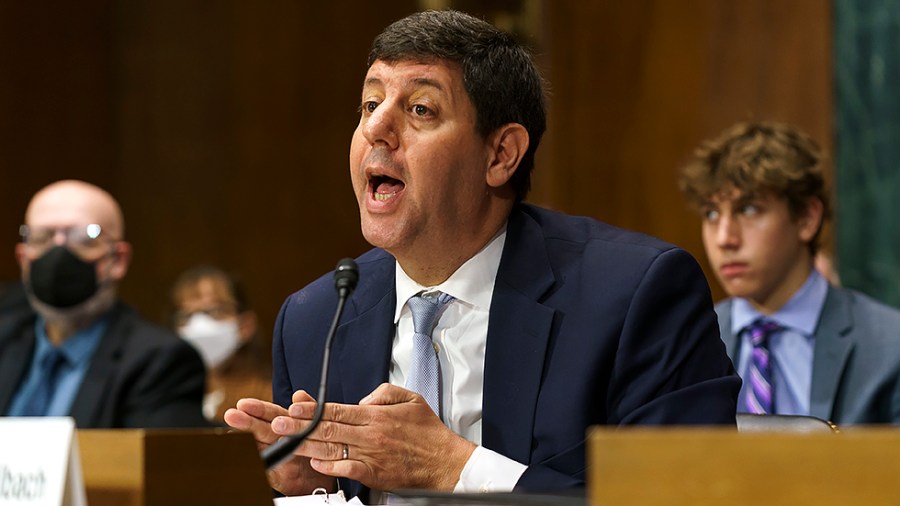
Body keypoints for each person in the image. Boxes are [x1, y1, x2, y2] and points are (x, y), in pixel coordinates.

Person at [225, 10, 739, 500]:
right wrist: (310, 488)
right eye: (369, 105)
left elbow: (692, 498)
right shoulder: (315, 319)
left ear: (500, 155)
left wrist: (454, 468)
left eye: (420, 109)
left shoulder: (634, 296)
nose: (375, 130)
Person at [679, 120, 900, 424]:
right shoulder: (687, 343)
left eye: (749, 209)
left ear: (807, 218)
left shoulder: (889, 345)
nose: (724, 239)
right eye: (712, 214)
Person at [0, 179, 209, 428]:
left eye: (85, 238)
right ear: (23, 259)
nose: (59, 252)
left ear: (118, 260)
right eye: (42, 237)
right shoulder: (5, 341)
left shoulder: (160, 362)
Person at [171, 265, 271, 422]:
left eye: (215, 311)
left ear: (246, 325)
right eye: (188, 315)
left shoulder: (265, 400)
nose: (199, 325)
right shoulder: (170, 396)